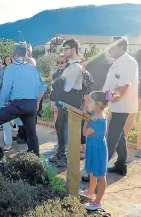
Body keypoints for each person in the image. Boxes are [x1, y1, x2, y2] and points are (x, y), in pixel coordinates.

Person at [0, 44, 45, 159]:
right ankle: (36, 159)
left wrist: (5, 102)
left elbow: (6, 89)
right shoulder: (33, 68)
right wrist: (36, 102)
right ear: (26, 54)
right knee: (32, 134)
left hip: (17, 105)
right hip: (31, 104)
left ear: (14, 55)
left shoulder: (11, 68)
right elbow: (42, 87)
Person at [103, 36, 138, 176]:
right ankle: (121, 165)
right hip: (116, 105)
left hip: (122, 105)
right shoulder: (118, 62)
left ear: (122, 48)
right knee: (120, 135)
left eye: (113, 46)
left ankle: (98, 172)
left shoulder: (128, 62)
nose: (109, 49)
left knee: (111, 138)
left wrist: (105, 99)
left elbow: (124, 87)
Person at [49, 39, 83, 168]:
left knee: (67, 130)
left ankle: (65, 158)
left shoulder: (75, 67)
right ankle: (60, 154)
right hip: (63, 102)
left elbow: (66, 87)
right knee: (60, 127)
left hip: (70, 103)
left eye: (66, 48)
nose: (64, 51)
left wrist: (57, 82)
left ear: (73, 49)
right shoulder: (70, 65)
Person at [79, 91, 109, 211]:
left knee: (100, 176)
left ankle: (98, 202)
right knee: (92, 172)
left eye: (90, 102)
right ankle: (91, 192)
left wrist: (86, 121)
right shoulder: (94, 113)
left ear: (98, 104)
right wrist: (87, 101)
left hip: (98, 151)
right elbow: (86, 110)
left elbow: (85, 133)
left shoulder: (99, 121)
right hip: (93, 147)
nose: (88, 104)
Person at [49, 54, 68, 136]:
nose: (59, 64)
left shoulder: (68, 73)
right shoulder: (56, 72)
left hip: (64, 100)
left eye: (62, 62)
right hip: (55, 97)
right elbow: (53, 85)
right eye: (58, 62)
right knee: (56, 113)